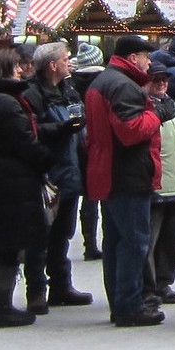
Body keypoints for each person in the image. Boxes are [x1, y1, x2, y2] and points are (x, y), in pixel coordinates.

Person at [85, 33, 166, 327]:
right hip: (126, 173)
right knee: (133, 242)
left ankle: (121, 303)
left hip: (108, 170)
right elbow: (130, 131)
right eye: (146, 56)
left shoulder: (105, 81)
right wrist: (156, 114)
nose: (149, 62)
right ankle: (129, 305)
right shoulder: (123, 86)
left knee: (117, 241)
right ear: (133, 58)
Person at [0, 48, 51, 329]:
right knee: (9, 245)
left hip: (8, 177)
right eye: (15, 67)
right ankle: (2, 307)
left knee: (9, 243)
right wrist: (45, 156)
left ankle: (4, 304)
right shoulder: (5, 102)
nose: (21, 70)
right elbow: (23, 141)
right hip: (13, 180)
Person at [21, 43, 91, 308]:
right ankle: (36, 291)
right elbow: (30, 130)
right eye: (65, 59)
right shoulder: (32, 93)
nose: (68, 63)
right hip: (46, 174)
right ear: (52, 65)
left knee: (62, 233)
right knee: (39, 235)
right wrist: (61, 128)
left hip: (69, 171)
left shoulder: (68, 89)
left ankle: (61, 286)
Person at [142, 67, 175, 309]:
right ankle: (149, 287)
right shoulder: (146, 107)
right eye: (156, 80)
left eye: (164, 81)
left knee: (171, 241)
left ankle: (164, 282)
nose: (161, 84)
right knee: (151, 240)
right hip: (158, 186)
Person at [67, 43, 105, 262]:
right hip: (96, 144)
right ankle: (92, 244)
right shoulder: (102, 83)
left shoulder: (71, 84)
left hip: (75, 146)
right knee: (95, 198)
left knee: (77, 199)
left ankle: (87, 241)